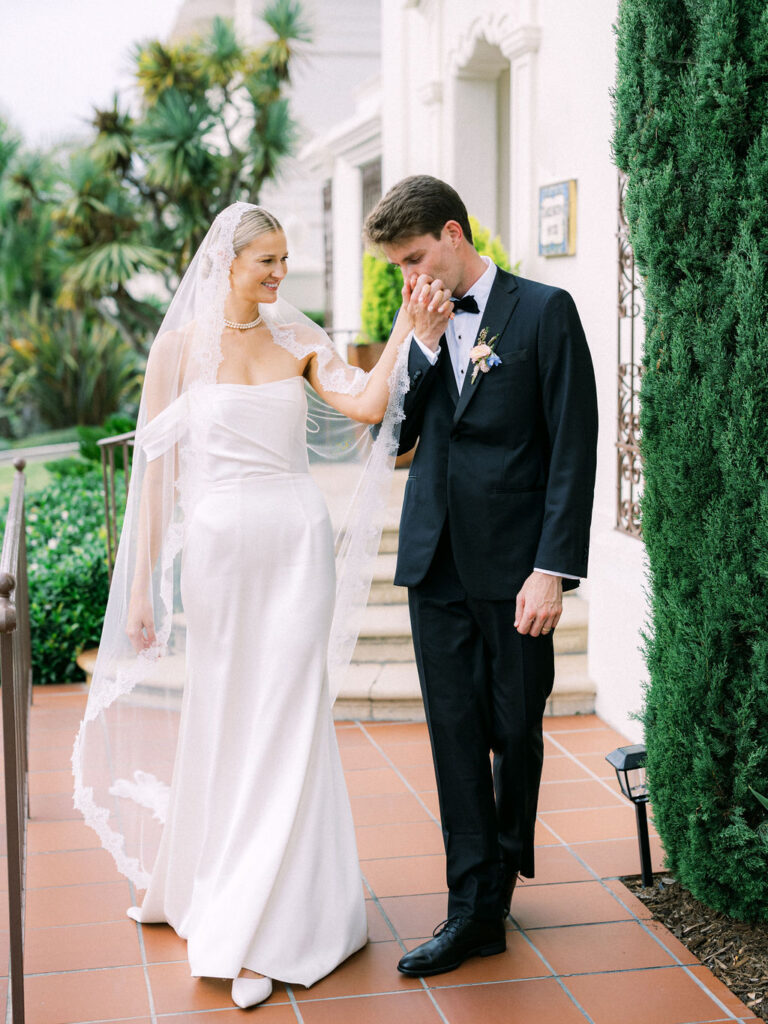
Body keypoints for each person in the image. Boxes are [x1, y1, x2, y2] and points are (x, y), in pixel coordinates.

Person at [72, 203, 431, 1008]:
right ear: (225, 263)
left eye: (284, 259)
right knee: (229, 714)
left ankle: (264, 925)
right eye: (266, 260)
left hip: (294, 545)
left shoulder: (299, 341)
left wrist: (407, 326)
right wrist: (140, 592)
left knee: (287, 715)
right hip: (219, 556)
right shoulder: (177, 349)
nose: (278, 274)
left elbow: (368, 404)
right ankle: (206, 878)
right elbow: (155, 473)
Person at [364, 175, 598, 977]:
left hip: (515, 570)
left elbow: (572, 446)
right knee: (454, 738)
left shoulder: (545, 311)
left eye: (416, 258)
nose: (409, 280)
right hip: (436, 564)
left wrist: (552, 570)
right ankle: (474, 908)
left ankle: (499, 869)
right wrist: (421, 345)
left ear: (456, 235)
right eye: (397, 266)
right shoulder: (417, 325)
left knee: (515, 731)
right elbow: (388, 441)